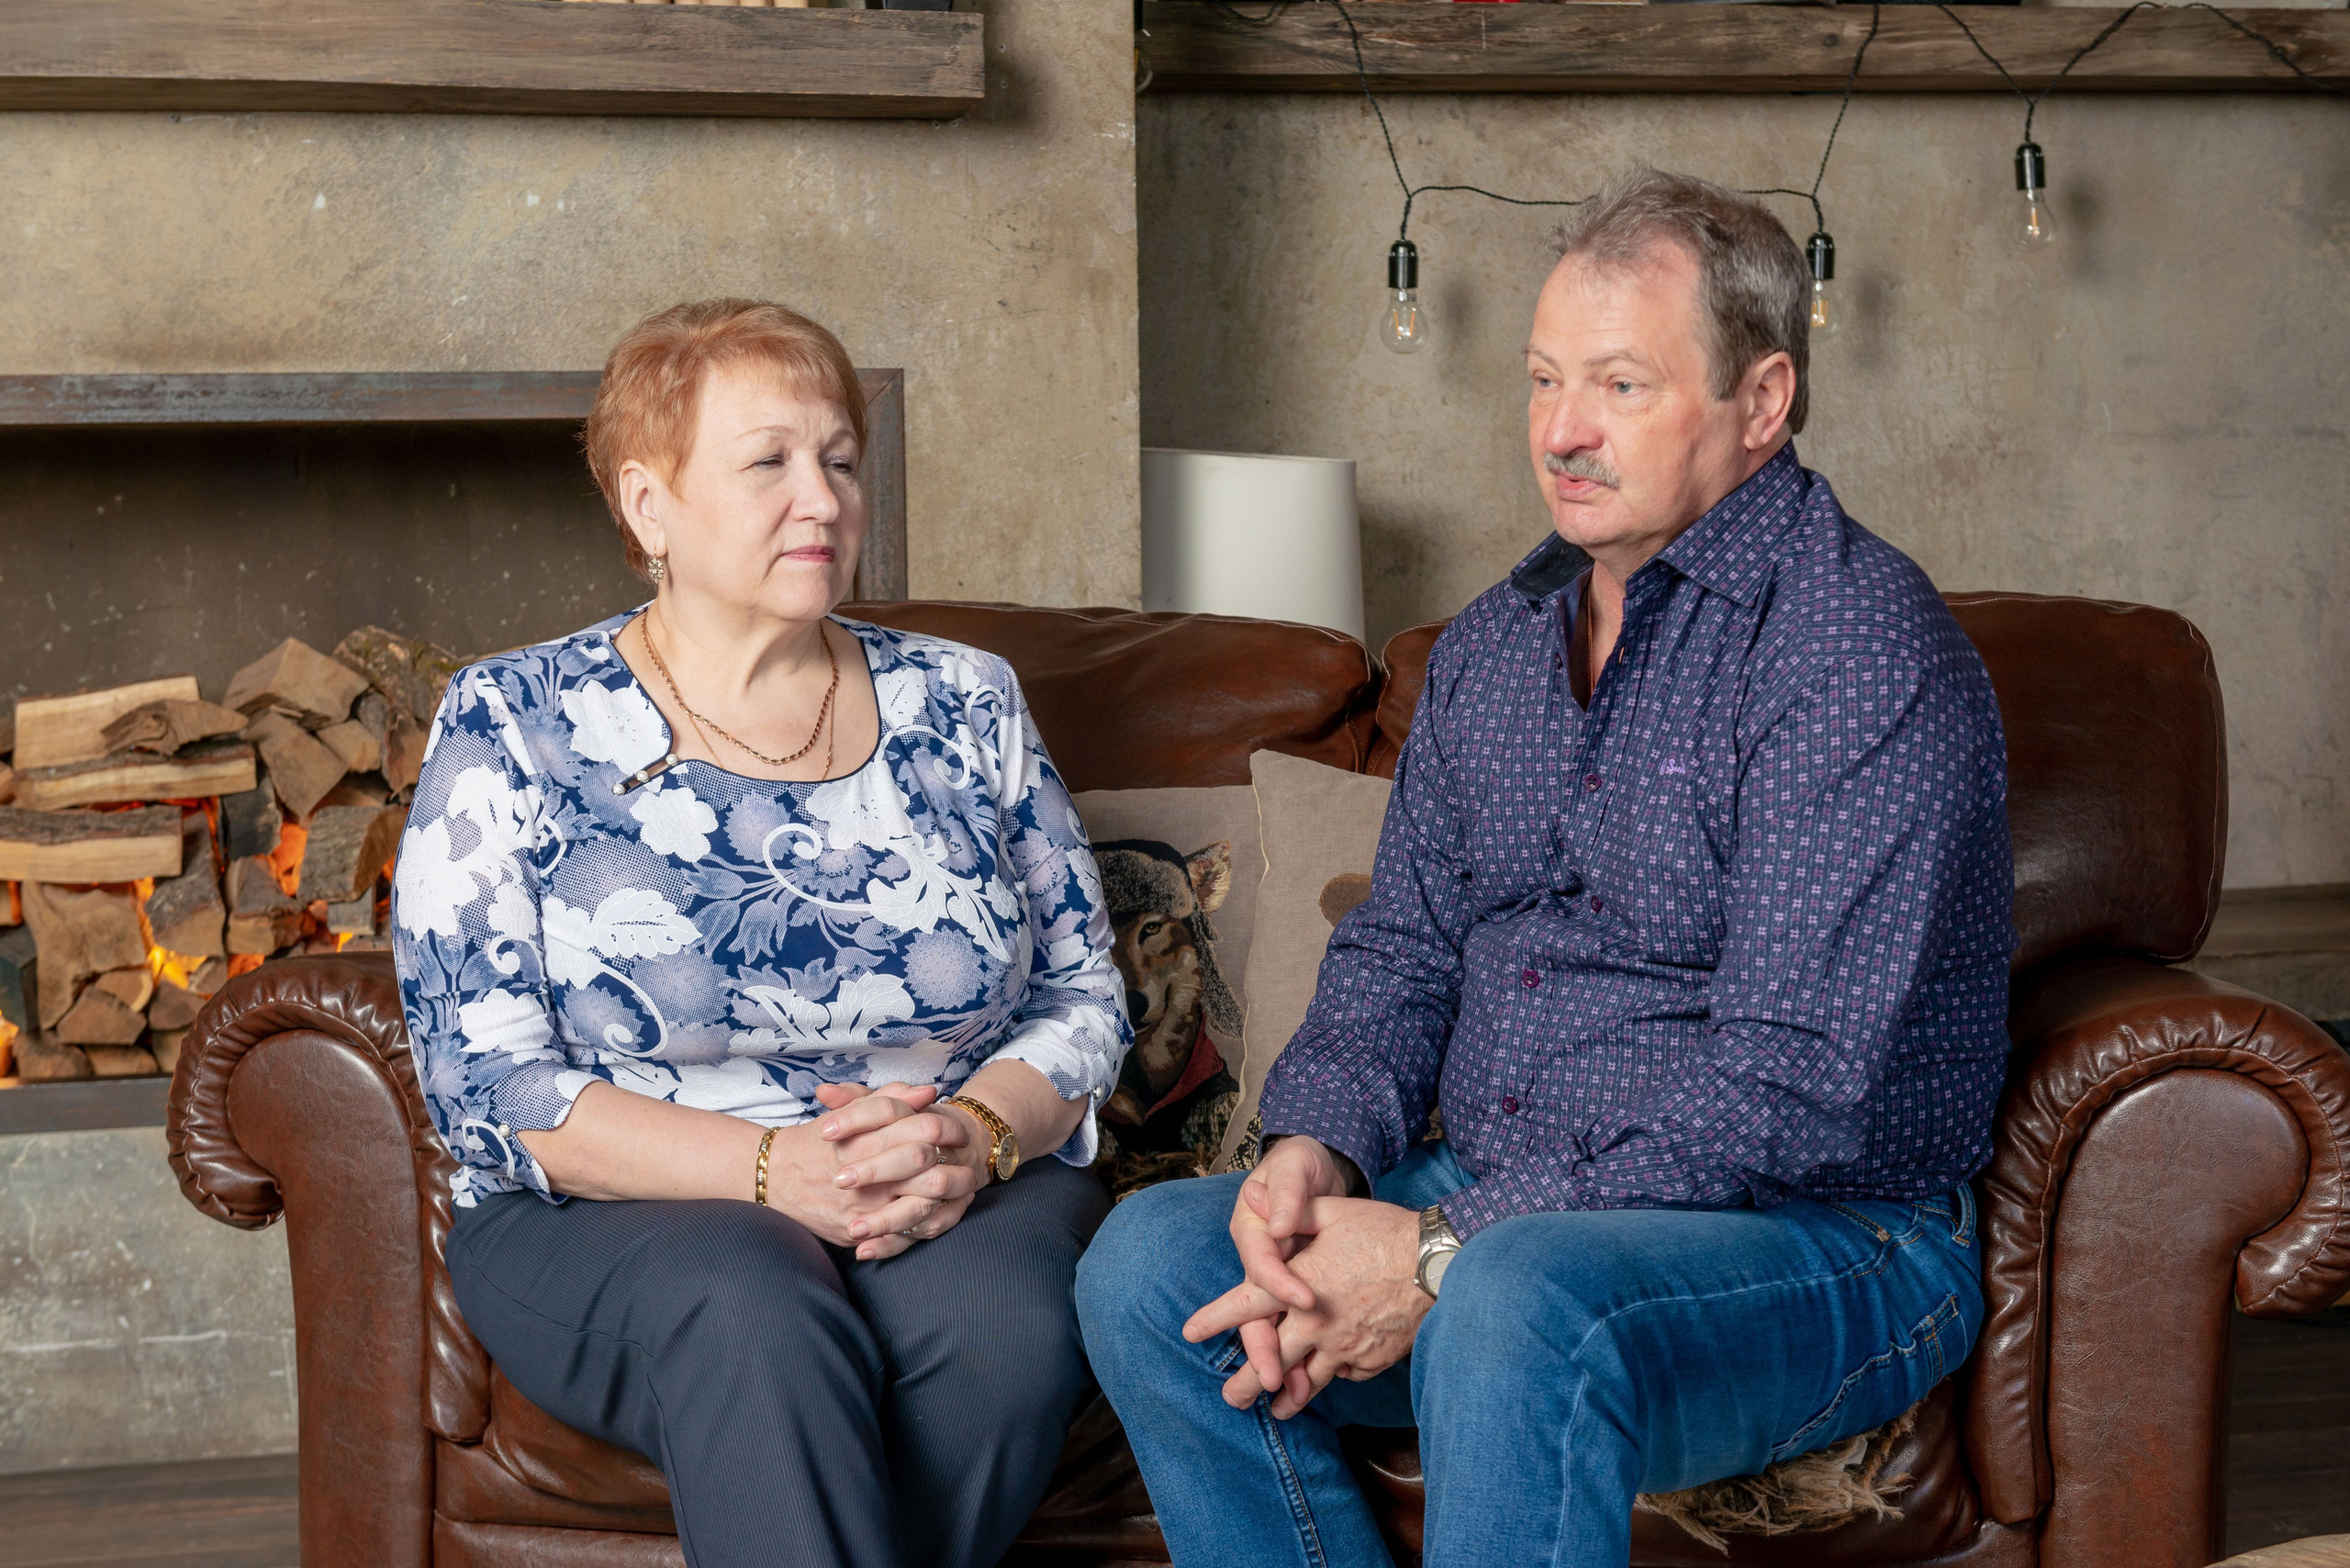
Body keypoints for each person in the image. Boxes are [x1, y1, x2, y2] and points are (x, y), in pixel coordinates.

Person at [1077, 171, 2015, 1568]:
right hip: (1499, 1192)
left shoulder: (1857, 649)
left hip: (1823, 1241)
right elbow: (1404, 946)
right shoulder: (1498, 645)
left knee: (1520, 1303)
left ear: (1763, 404)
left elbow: (1791, 1091)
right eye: (1542, 380)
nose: (1561, 433)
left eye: (1622, 387)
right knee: (1154, 1268)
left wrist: (1441, 1248)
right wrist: (1306, 1154)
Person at [390, 298, 1133, 1568]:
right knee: (752, 1303)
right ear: (648, 506)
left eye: (841, 460)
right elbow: (489, 1087)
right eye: (768, 462)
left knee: (1008, 1328)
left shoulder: (962, 699)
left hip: (946, 1183)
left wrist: (978, 1133)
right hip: (614, 1213)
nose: (825, 500)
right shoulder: (514, 722)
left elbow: (1082, 992)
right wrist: (770, 1176)